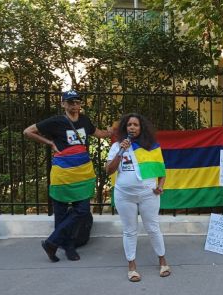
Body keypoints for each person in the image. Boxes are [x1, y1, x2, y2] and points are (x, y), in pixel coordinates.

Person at [23, 90, 112, 262]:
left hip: (82, 174)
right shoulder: (56, 122)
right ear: (63, 104)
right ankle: (67, 247)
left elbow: (98, 133)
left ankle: (52, 242)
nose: (74, 105)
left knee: (82, 210)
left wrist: (110, 132)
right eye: (70, 102)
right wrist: (50, 143)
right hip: (62, 175)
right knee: (61, 213)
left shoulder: (85, 120)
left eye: (77, 102)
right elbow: (28, 132)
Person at [105, 113, 171, 282]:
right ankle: (132, 267)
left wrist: (160, 186)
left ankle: (163, 261)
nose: (132, 127)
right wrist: (121, 151)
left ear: (141, 128)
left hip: (148, 195)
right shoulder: (117, 146)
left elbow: (161, 171)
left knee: (153, 228)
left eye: (135, 125)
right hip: (124, 196)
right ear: (124, 128)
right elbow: (109, 170)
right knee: (129, 231)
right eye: (129, 125)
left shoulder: (151, 146)